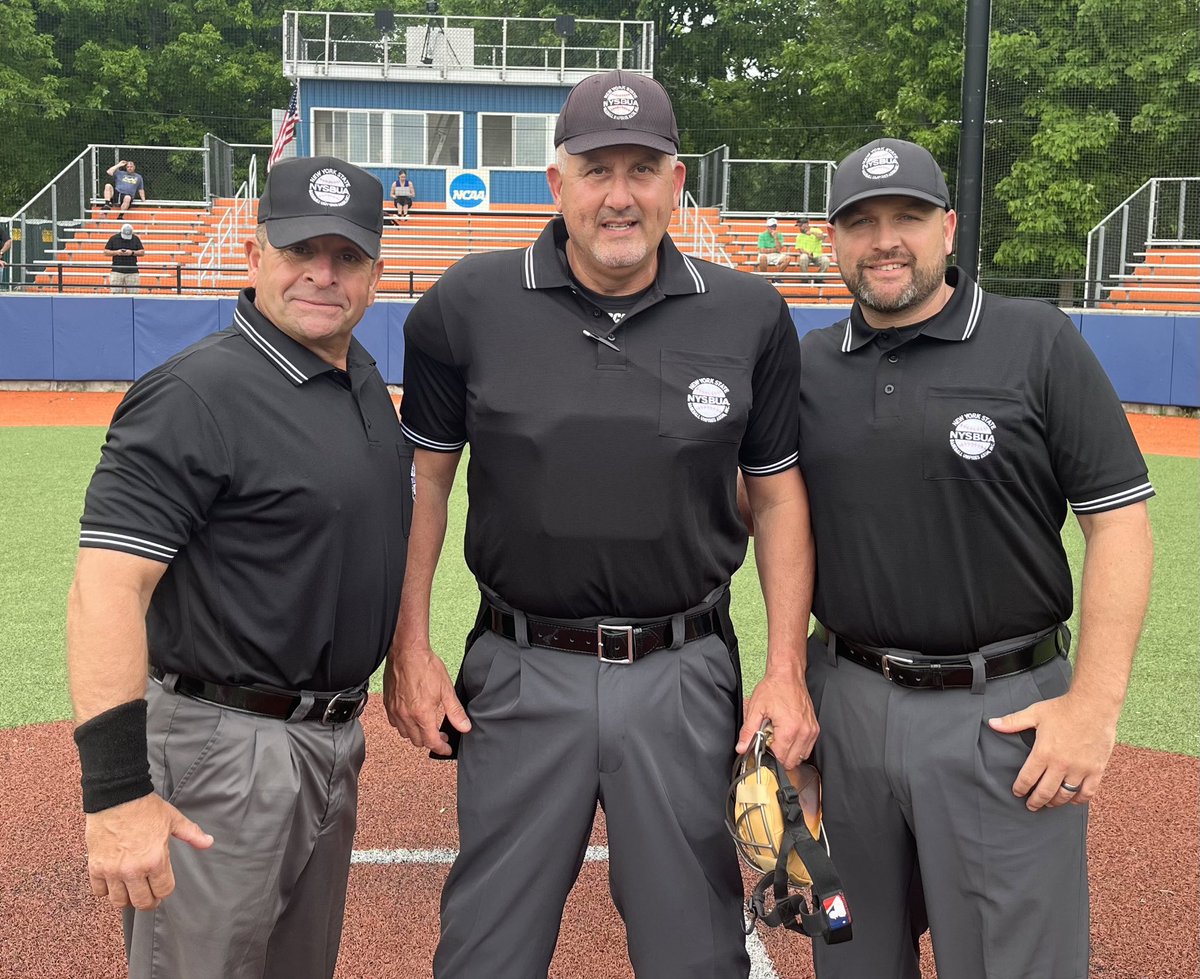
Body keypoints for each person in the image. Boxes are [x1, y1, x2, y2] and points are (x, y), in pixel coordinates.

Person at [386, 68, 815, 979]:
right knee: (486, 954)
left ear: (676, 182)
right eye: (596, 170)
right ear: (557, 183)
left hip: (683, 671)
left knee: (696, 953)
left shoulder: (749, 314)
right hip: (519, 668)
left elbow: (778, 496)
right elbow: (424, 482)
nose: (619, 195)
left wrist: (785, 668)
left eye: (642, 169)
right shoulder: (468, 303)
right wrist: (408, 643)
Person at [797, 138, 1155, 979]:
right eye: (862, 222)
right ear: (834, 239)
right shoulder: (806, 366)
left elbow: (1119, 524)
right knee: (850, 957)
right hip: (847, 705)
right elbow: (771, 521)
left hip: (1000, 710)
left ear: (949, 228)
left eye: (908, 218)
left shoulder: (1036, 340)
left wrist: (1094, 706)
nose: (886, 240)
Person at [67, 155, 410, 979]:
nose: (323, 274)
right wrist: (116, 791)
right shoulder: (196, 393)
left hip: (331, 741)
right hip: (221, 748)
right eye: (300, 250)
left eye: (347, 255)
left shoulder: (360, 379)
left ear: (375, 274)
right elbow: (106, 588)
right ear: (255, 257)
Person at [104, 222, 145, 294]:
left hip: (132, 271)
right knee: (116, 294)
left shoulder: (135, 239)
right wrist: (117, 252)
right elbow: (106, 252)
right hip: (117, 271)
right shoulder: (113, 238)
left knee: (134, 294)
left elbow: (142, 252)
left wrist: (132, 253)